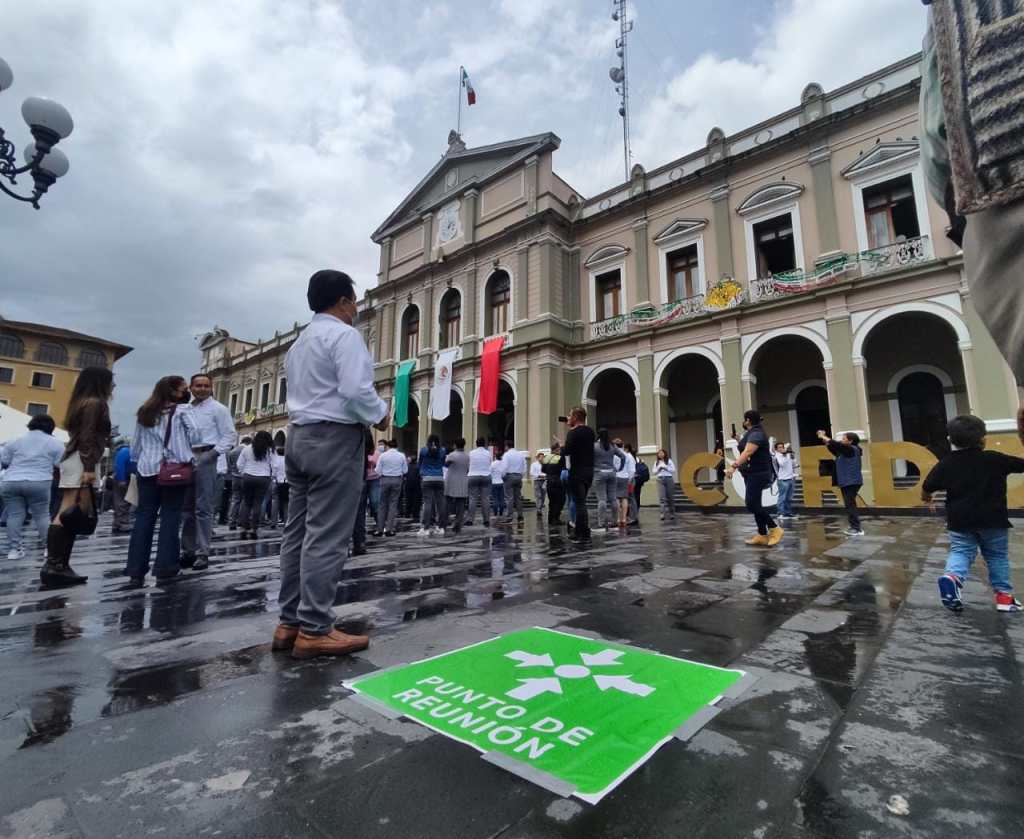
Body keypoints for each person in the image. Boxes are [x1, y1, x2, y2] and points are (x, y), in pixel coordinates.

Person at [275, 269, 386, 659]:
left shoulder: (299, 344)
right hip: (335, 439)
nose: (356, 308)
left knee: (298, 533)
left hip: (299, 436)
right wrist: (380, 414)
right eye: (354, 301)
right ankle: (315, 628)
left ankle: (289, 622)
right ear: (342, 301)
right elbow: (356, 391)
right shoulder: (344, 335)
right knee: (326, 536)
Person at [923, 414, 1024, 613]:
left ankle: (952, 577)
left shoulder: (947, 463)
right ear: (983, 439)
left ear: (950, 440)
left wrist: (926, 498)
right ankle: (1004, 597)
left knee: (960, 551)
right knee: (997, 556)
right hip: (993, 519)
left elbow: (928, 485)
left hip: (960, 519)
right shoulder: (995, 459)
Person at [44, 366, 114, 587]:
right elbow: (88, 436)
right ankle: (56, 565)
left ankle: (58, 565)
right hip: (83, 460)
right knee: (70, 510)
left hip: (75, 458)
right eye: (111, 381)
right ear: (100, 382)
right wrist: (89, 467)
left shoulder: (81, 402)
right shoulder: (95, 403)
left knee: (68, 509)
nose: (114, 386)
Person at [124, 376, 196, 585]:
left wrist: (141, 463)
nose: (186, 392)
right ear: (174, 392)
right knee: (170, 516)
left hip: (147, 470)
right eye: (184, 389)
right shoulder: (183, 411)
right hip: (174, 470)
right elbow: (198, 435)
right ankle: (166, 567)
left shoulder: (144, 412)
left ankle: (135, 570)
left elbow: (135, 446)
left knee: (144, 518)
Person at [180, 373, 236, 571]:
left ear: (211, 388)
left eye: (206, 386)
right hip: (185, 460)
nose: (202, 389)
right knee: (186, 509)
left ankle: (202, 552)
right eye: (198, 385)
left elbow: (230, 435)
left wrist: (213, 454)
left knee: (203, 509)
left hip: (207, 458)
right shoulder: (184, 409)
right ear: (191, 388)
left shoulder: (218, 409)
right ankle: (187, 550)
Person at [1, 414, 65, 560]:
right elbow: (60, 464)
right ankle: (48, 549)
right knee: (42, 515)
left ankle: (14, 550)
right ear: (51, 428)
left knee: (14, 515)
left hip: (12, 481)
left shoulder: (14, 440)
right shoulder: (55, 443)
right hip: (40, 481)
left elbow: (5, 460)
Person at [726, 410, 784, 547]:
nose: (744, 422)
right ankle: (762, 535)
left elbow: (748, 451)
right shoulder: (751, 433)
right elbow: (746, 446)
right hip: (751, 473)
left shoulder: (757, 433)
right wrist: (737, 439)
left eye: (745, 419)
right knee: (756, 504)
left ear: (748, 421)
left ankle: (775, 529)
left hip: (758, 474)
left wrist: (733, 466)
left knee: (751, 504)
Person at [817, 429, 864, 537]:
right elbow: (834, 448)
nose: (842, 440)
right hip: (848, 481)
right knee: (850, 504)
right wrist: (826, 442)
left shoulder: (852, 449)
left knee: (850, 505)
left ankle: (856, 529)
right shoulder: (846, 451)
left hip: (851, 482)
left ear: (850, 441)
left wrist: (823, 436)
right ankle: (855, 527)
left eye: (844, 439)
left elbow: (836, 445)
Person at [564, 407, 596, 541]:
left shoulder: (572, 433)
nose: (568, 418)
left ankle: (580, 533)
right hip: (589, 471)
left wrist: (562, 446)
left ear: (576, 417)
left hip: (577, 471)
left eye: (570, 415)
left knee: (579, 503)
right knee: (582, 502)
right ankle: (584, 530)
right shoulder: (590, 431)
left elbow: (567, 451)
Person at [236, 431, 274, 539]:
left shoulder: (247, 449)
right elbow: (274, 465)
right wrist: (271, 476)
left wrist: (243, 472)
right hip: (263, 478)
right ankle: (254, 529)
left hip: (248, 476)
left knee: (246, 502)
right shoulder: (269, 451)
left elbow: (239, 464)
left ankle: (243, 528)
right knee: (258, 503)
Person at [376, 438, 407, 536]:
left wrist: (383, 474)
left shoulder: (383, 455)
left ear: (388, 446)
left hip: (385, 479)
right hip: (397, 480)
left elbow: (378, 470)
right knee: (393, 505)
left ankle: (380, 529)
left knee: (382, 504)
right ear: (396, 446)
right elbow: (405, 470)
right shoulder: (401, 455)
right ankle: (389, 529)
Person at [351, 430, 375, 556]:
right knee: (359, 513)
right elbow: (371, 450)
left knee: (338, 512)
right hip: (359, 473)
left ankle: (340, 545)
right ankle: (359, 543)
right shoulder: (363, 428)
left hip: (339, 474)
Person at [592, 429, 622, 531]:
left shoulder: (595, 446)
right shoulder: (612, 446)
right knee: (613, 498)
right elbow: (623, 456)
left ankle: (601, 523)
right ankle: (614, 521)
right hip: (612, 473)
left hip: (599, 473)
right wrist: (619, 468)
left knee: (602, 499)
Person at [418, 435, 447, 536]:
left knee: (427, 504)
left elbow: (420, 463)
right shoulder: (443, 450)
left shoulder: (424, 450)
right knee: (441, 504)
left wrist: (421, 473)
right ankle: (441, 527)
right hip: (439, 478)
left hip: (427, 479)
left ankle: (425, 528)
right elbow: (443, 463)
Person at [444, 438, 470, 533]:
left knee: (447, 502)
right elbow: (467, 469)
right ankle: (458, 523)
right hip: (463, 481)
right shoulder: (467, 456)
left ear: (455, 445)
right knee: (461, 504)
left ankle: (445, 521)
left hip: (451, 480)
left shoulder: (452, 455)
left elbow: (446, 465)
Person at [223, 436, 249, 529]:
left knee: (235, 500)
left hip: (234, 477)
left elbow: (229, 465)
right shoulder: (248, 451)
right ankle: (241, 521)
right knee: (245, 500)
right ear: (248, 443)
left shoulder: (232, 451)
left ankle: (231, 522)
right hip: (245, 477)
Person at [466, 437, 493, 527]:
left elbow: (468, 464)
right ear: (484, 444)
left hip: (473, 475)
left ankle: (470, 520)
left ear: (476, 444)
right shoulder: (488, 453)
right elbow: (490, 463)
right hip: (486, 475)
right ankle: (486, 520)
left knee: (472, 498)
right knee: (485, 499)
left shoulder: (471, 453)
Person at [111, 441, 134, 535]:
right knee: (123, 502)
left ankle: (117, 523)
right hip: (124, 479)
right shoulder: (126, 451)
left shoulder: (123, 451)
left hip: (125, 478)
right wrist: (122, 479)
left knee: (122, 502)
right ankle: (123, 524)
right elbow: (119, 466)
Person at [540, 443, 566, 526]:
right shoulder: (560, 458)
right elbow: (564, 467)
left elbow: (543, 470)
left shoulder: (546, 457)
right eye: (559, 449)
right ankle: (556, 518)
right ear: (556, 449)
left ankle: (550, 519)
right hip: (558, 481)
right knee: (561, 500)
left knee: (552, 501)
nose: (560, 451)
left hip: (549, 481)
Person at [501, 441, 526, 523]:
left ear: (507, 446)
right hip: (519, 476)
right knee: (518, 497)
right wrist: (521, 475)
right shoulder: (520, 454)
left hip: (509, 476)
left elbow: (504, 467)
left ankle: (509, 517)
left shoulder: (506, 455)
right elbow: (524, 466)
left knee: (509, 498)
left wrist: (503, 476)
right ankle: (520, 516)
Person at [614, 438, 636, 528]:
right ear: (622, 445)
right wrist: (629, 479)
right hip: (625, 477)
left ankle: (618, 519)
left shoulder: (613, 455)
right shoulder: (628, 455)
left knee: (615, 498)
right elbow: (632, 470)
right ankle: (624, 519)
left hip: (614, 477)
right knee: (624, 498)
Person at [773, 442, 797, 520]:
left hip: (791, 478)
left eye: (782, 447)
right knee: (782, 497)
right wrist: (785, 455)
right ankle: (781, 513)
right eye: (779, 447)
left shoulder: (787, 455)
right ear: (776, 449)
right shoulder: (776, 456)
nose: (781, 448)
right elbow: (782, 464)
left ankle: (788, 513)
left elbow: (794, 465)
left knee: (789, 498)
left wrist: (793, 458)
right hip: (782, 479)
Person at [653, 449, 676, 521]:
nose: (660, 454)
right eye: (659, 453)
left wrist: (665, 467)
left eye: (662, 453)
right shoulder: (656, 462)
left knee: (670, 497)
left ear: (665, 454)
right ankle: (662, 513)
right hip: (660, 480)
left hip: (669, 479)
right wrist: (659, 469)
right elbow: (654, 472)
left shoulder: (669, 461)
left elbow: (673, 470)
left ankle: (672, 513)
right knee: (662, 498)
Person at [366, 441, 383, 522]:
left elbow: (379, 465)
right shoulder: (360, 451)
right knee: (361, 503)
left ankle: (379, 525)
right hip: (362, 478)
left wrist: (372, 461)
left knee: (375, 502)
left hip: (374, 479)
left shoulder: (377, 453)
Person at [630, 447, 648, 526]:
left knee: (631, 496)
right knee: (637, 497)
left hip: (631, 481)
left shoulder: (629, 459)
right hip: (639, 481)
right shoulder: (640, 460)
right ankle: (636, 513)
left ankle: (632, 514)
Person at [403, 454, 422, 520]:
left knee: (408, 499)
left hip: (408, 484)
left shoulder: (407, 466)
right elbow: (420, 475)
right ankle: (415, 514)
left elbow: (404, 474)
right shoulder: (418, 466)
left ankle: (407, 513)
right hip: (417, 485)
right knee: (416, 500)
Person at [490, 449, 506, 517]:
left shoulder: (493, 464)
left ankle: (495, 512)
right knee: (501, 498)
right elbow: (504, 474)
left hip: (494, 482)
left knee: (495, 498)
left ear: (495, 456)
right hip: (501, 482)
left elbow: (489, 472)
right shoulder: (503, 464)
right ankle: (501, 512)